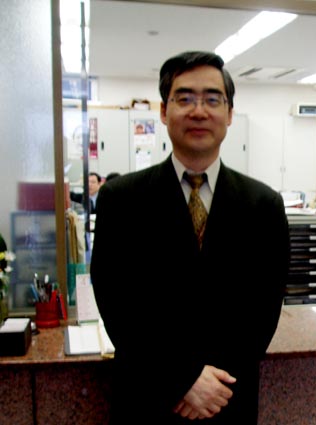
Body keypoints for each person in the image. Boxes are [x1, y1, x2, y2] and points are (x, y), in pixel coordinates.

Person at [90, 51, 290, 424]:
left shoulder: (264, 205)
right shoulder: (121, 199)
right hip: (147, 398)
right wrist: (181, 380)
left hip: (227, 400)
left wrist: (210, 387)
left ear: (229, 114)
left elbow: (263, 309)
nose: (199, 111)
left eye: (213, 99)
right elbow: (116, 302)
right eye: (184, 98)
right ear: (164, 111)